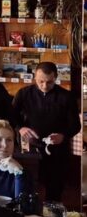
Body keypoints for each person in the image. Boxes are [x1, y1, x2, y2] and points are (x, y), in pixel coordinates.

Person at [13, 62, 80, 201]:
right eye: (41, 81)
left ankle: (52, 212)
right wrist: (20, 128)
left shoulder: (66, 97)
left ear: (56, 78)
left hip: (57, 149)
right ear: (35, 77)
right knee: (27, 188)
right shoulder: (24, 94)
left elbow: (75, 125)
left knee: (54, 190)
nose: (44, 86)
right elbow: (10, 117)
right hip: (30, 149)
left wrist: (63, 136)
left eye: (49, 82)